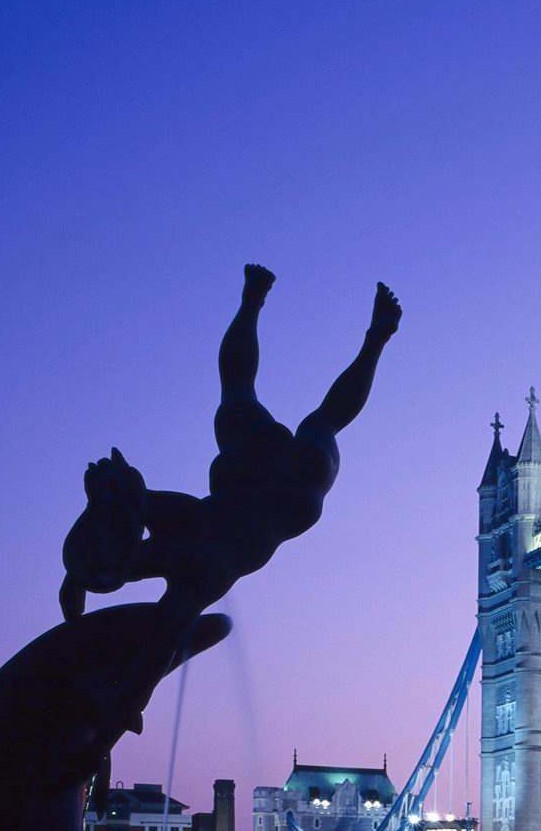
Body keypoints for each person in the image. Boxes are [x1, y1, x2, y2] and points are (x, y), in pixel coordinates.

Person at [59, 264, 401, 623]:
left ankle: (276, 306)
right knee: (279, 406)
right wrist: (77, 592)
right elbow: (122, 551)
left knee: (261, 400)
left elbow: (115, 561)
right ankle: (357, 333)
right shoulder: (176, 551)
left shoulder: (166, 547)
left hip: (256, 484)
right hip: (283, 490)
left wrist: (76, 594)